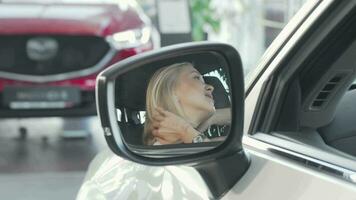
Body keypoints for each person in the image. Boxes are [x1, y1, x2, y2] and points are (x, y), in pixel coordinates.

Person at [143, 62, 230, 145]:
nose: (211, 87)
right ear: (170, 91)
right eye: (196, 77)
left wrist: (211, 119)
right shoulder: (162, 147)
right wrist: (186, 131)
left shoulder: (183, 141)